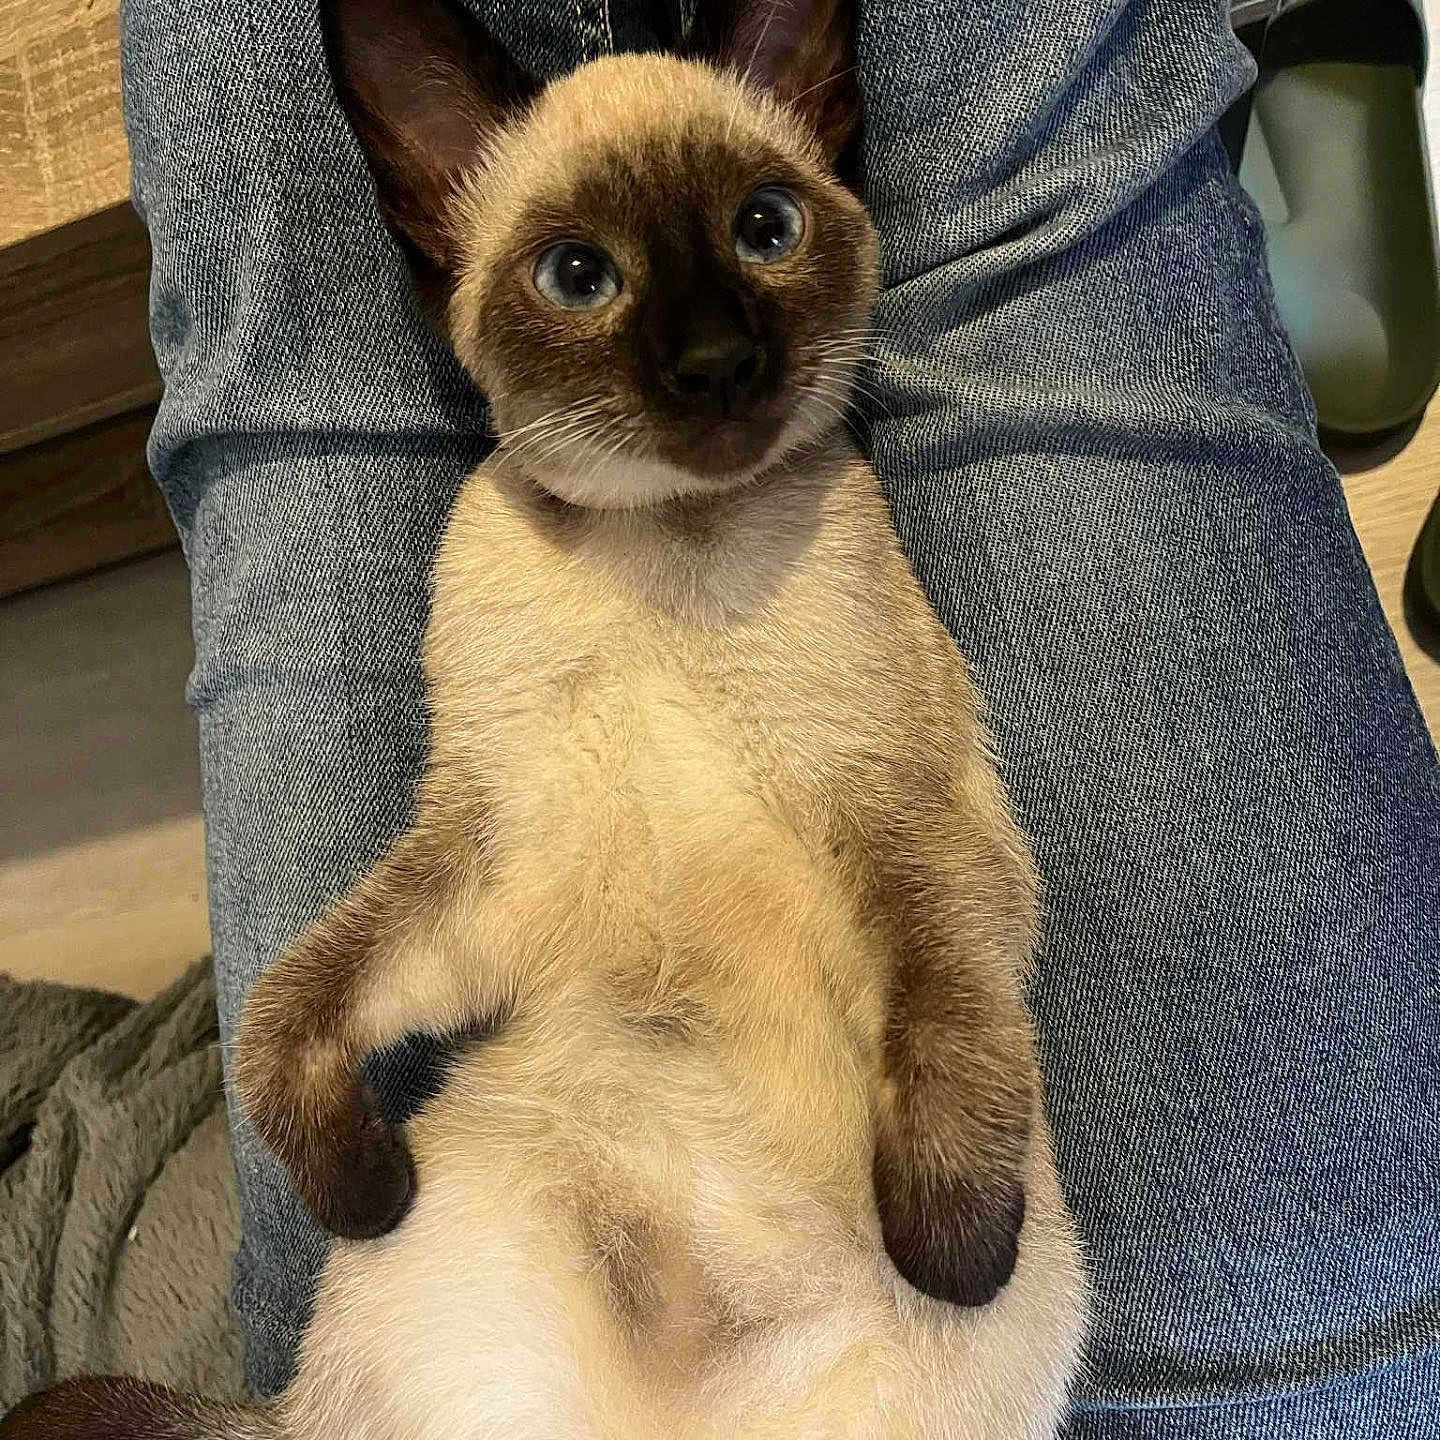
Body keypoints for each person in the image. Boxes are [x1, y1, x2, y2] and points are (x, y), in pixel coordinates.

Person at [119, 0, 1440, 1432]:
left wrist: (953, 1091)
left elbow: (922, 846)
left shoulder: (830, 519)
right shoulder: (495, 548)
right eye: (580, 275)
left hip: (835, 1260)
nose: (711, 351)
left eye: (764, 233)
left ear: (821, 124)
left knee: (299, 421)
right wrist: (303, 1044)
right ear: (439, 217)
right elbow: (476, 871)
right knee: (1042, 218)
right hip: (608, 1217)